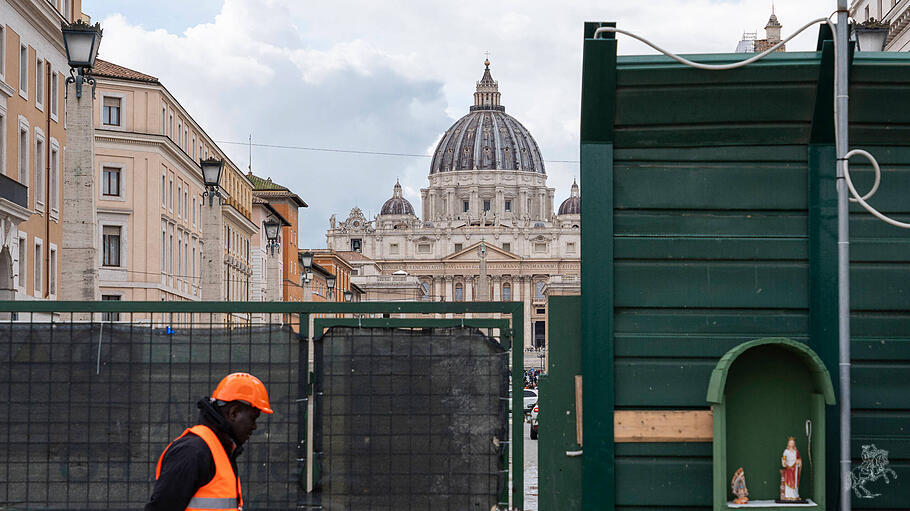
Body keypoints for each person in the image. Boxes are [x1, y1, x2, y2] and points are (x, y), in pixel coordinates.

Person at [146, 372, 274, 511]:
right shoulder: (193, 451)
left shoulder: (218, 450)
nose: (254, 426)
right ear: (234, 413)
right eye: (253, 418)